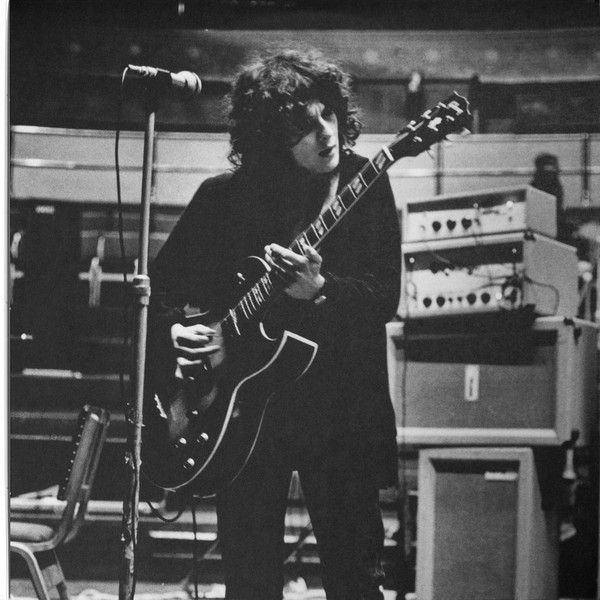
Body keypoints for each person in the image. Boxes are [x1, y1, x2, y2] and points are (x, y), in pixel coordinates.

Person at [148, 46, 402, 600]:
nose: (325, 133)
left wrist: (321, 290)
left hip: (340, 414)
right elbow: (158, 292)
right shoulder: (224, 199)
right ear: (267, 140)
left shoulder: (366, 183)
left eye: (328, 114)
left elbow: (385, 297)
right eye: (303, 127)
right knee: (249, 581)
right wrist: (175, 331)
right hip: (242, 418)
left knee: (354, 580)